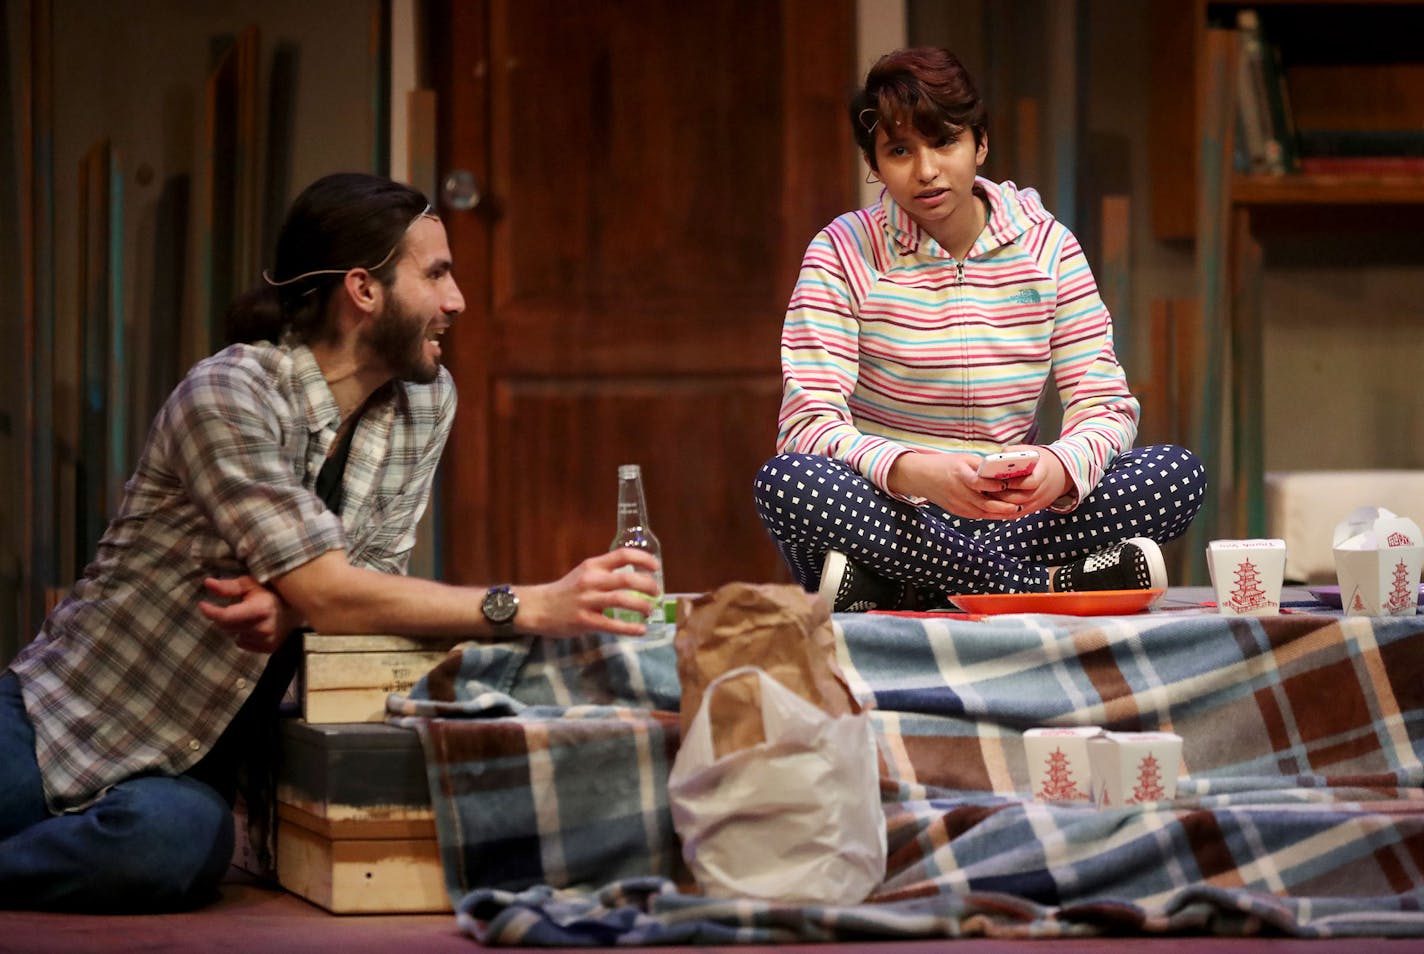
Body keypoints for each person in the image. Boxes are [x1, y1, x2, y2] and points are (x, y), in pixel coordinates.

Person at [0, 172, 661, 912]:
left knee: (178, 843)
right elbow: (333, 589)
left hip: (172, 781)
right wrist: (530, 605)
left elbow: (363, 588)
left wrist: (296, 609)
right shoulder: (229, 395)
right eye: (437, 274)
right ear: (363, 290)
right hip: (60, 724)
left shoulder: (423, 402)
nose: (457, 301)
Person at [753, 48, 1206, 612]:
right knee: (789, 483)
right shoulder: (843, 252)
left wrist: (1059, 468)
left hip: (1012, 513)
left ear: (980, 143)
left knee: (1174, 476)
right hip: (893, 511)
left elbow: (1104, 404)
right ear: (873, 163)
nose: (926, 171)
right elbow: (807, 423)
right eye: (899, 151)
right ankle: (1039, 586)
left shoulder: (1048, 247)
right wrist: (917, 472)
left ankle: (906, 587)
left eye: (944, 142)